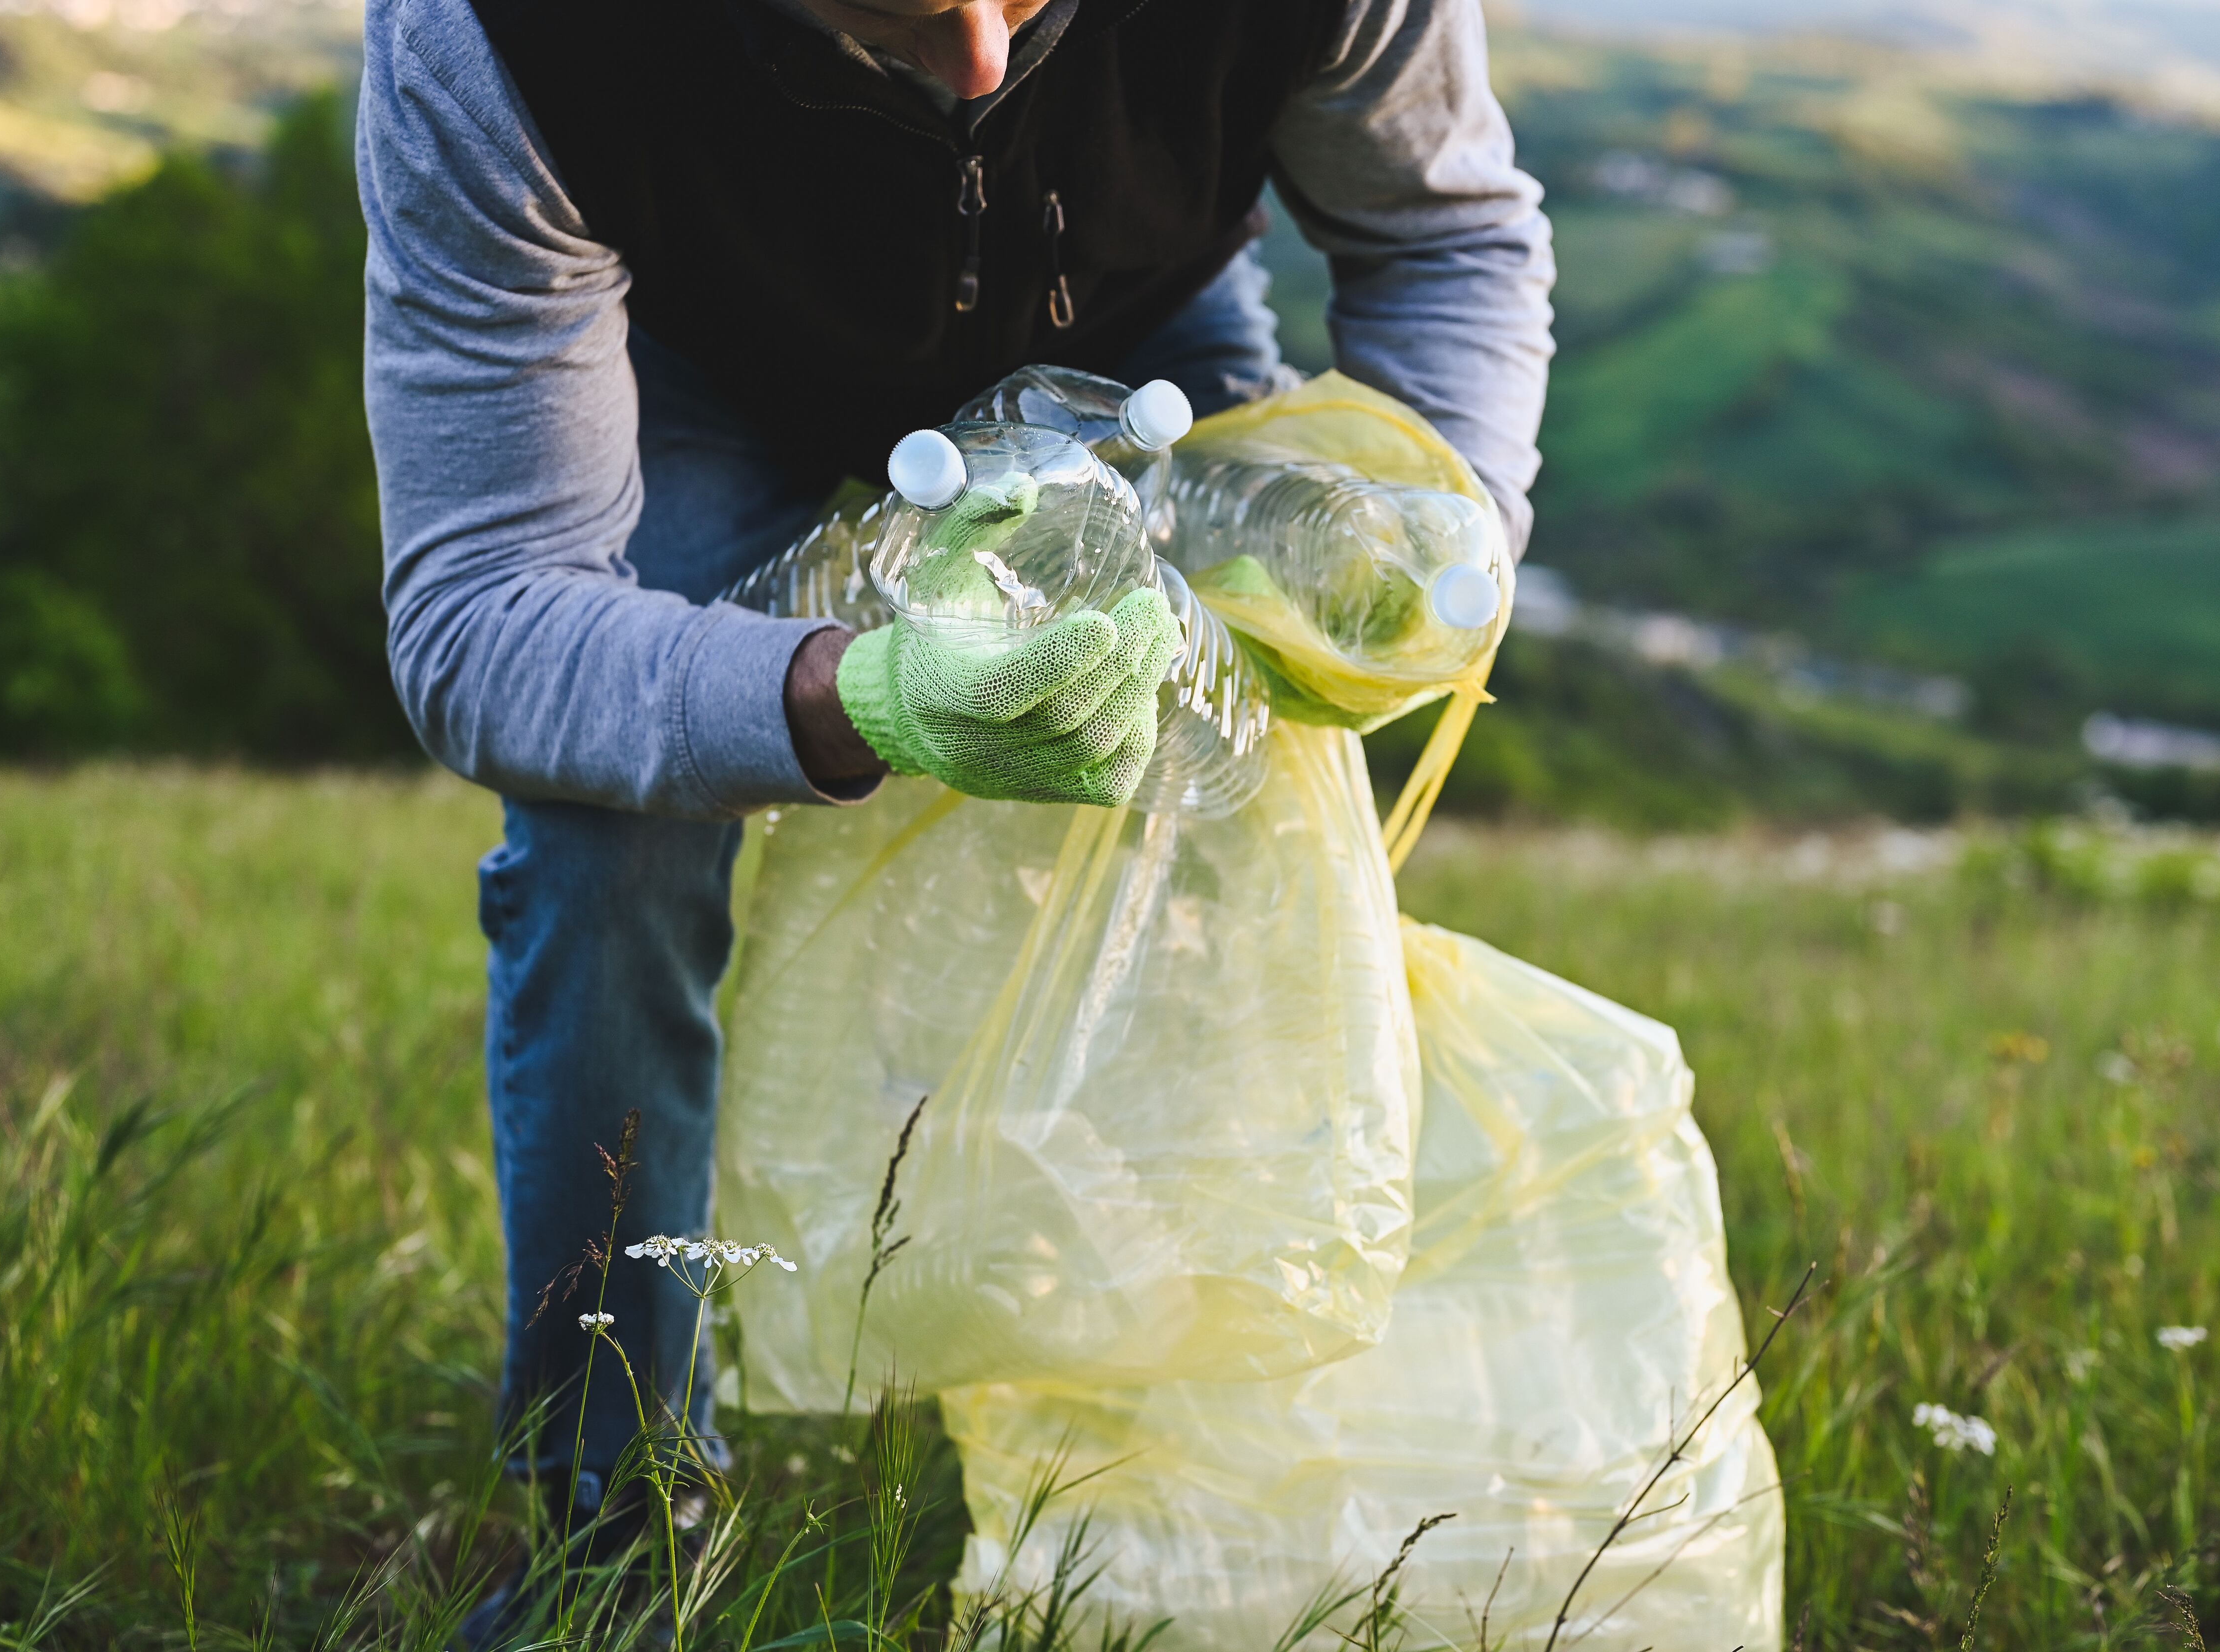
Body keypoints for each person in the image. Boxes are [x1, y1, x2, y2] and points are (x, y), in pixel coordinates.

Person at [356, 0, 1553, 1618]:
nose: (986, 65)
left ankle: (1162, 1494)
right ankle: (615, 1531)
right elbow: (485, 614)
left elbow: (1446, 235)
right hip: (701, 378)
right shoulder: (501, 40)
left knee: (1236, 801)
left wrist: (1436, 537)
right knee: (605, 841)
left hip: (1141, 355)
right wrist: (861, 701)